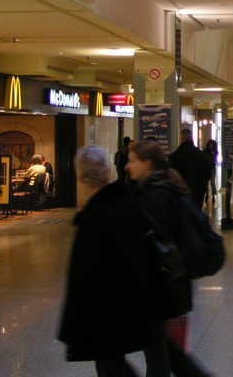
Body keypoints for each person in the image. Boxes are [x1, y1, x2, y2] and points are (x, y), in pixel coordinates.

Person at [58, 145, 159, 377]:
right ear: (107, 172)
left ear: (81, 176)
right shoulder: (129, 203)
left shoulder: (94, 216)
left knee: (111, 367)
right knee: (114, 365)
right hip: (130, 304)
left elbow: (83, 276)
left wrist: (71, 326)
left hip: (104, 313)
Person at [127, 140, 212, 377]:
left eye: (132, 160)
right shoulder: (164, 187)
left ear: (147, 163)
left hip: (160, 286)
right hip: (168, 283)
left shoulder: (157, 195)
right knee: (161, 348)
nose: (127, 166)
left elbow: (154, 243)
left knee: (158, 351)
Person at [168, 129, 212, 208]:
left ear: (182, 139)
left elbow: (170, 175)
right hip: (198, 190)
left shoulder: (175, 156)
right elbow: (208, 174)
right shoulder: (201, 155)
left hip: (181, 192)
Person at [202, 139, 219, 206]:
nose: (211, 146)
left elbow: (214, 159)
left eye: (212, 145)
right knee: (206, 182)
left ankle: (213, 195)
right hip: (207, 168)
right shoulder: (205, 152)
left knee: (212, 182)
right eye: (210, 145)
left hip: (212, 168)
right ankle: (207, 193)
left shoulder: (215, 152)